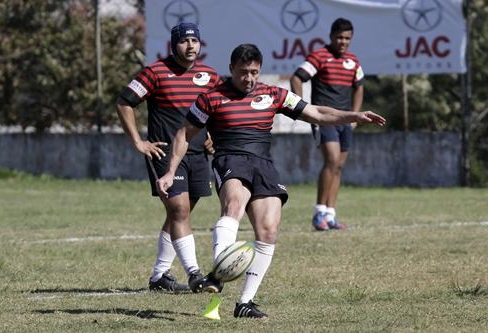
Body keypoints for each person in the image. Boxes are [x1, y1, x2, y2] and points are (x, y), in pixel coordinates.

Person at [157, 44, 385, 318]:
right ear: (231, 69)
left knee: (268, 230)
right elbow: (183, 134)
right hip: (230, 159)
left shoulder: (273, 94)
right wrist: (170, 171)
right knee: (234, 204)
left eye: (254, 72)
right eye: (243, 72)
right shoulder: (211, 98)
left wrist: (354, 116)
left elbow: (316, 113)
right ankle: (218, 272)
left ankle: (245, 303)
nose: (249, 78)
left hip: (263, 165)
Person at [116, 22, 221, 293]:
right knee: (179, 210)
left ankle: (160, 276)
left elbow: (219, 110)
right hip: (165, 153)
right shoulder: (156, 72)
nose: (190, 46)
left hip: (197, 155)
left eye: (194, 41)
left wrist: (213, 137)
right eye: (184, 41)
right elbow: (125, 102)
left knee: (179, 214)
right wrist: (138, 142)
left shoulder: (210, 76)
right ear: (173, 44)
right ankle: (195, 274)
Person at [290, 18, 364, 231]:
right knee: (331, 160)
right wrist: (301, 108)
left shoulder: (353, 61)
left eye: (347, 38)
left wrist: (355, 115)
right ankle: (319, 213)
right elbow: (297, 78)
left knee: (339, 166)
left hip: (345, 121)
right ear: (331, 36)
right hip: (323, 119)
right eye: (339, 37)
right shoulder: (319, 57)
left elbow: (359, 87)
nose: (343, 42)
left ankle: (330, 215)